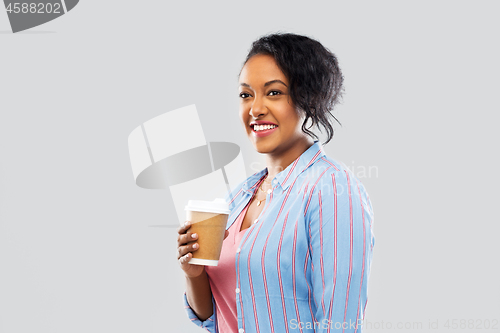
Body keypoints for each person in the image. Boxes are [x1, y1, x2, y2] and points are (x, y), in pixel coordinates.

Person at [177, 33, 375, 333]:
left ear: (309, 98)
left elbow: (340, 325)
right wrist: (194, 274)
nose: (255, 109)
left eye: (273, 93)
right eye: (246, 95)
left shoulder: (332, 190)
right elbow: (216, 318)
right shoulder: (238, 198)